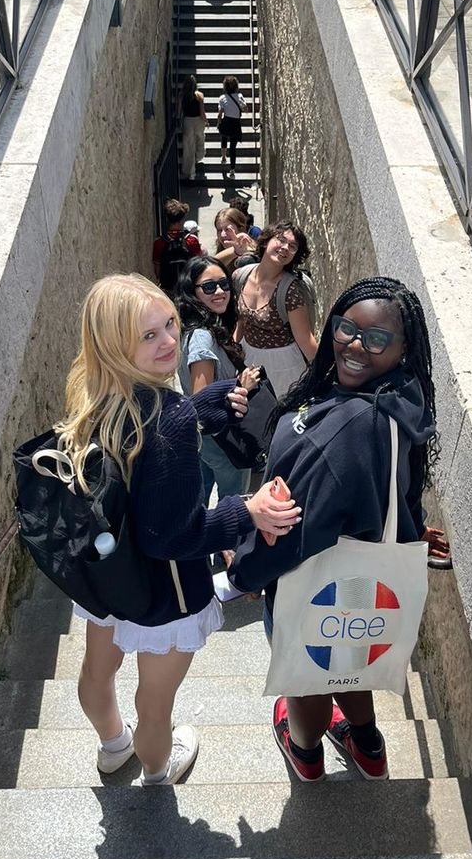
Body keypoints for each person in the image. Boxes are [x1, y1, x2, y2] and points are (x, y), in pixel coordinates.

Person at [56, 273, 300, 785]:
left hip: (110, 572)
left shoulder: (95, 395)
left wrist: (199, 409)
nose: (170, 340)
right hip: (163, 592)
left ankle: (112, 747)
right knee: (156, 706)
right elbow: (175, 536)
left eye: (169, 323)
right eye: (149, 336)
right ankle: (157, 770)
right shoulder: (165, 423)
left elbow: (142, 451)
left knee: (96, 673)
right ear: (116, 344)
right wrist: (245, 511)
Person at [229, 277, 439, 782]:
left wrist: (245, 569)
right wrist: (414, 530)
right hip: (364, 577)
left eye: (376, 339)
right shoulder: (399, 399)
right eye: (346, 328)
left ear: (403, 348)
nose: (353, 345)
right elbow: (397, 485)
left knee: (307, 679)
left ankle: (305, 752)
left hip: (310, 577)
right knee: (350, 654)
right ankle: (367, 747)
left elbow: (298, 532)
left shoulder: (344, 430)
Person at [176, 256, 261, 503]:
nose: (220, 292)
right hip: (221, 440)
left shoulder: (202, 327)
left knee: (197, 498)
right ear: (192, 292)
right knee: (235, 502)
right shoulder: (202, 336)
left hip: (206, 440)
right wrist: (242, 387)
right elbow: (202, 401)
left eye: (224, 284)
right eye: (209, 287)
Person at [233, 219, 318, 398]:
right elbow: (241, 322)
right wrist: (232, 354)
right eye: (280, 239)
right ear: (266, 241)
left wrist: (326, 375)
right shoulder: (242, 275)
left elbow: (305, 339)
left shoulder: (290, 291)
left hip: (283, 367)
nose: (285, 247)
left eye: (293, 246)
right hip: (249, 358)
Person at [152, 199, 201, 294]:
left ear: (166, 218)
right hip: (187, 287)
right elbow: (198, 264)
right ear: (183, 218)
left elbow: (157, 268)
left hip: (167, 288)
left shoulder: (159, 242)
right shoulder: (191, 240)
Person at [217, 76, 247, 181]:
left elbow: (220, 113)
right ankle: (232, 169)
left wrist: (218, 122)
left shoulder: (222, 98)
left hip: (226, 121)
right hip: (236, 123)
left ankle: (224, 157)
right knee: (233, 147)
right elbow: (245, 109)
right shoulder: (239, 96)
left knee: (224, 138)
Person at [179, 74, 207, 181]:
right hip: (198, 121)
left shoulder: (182, 95)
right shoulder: (200, 95)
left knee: (188, 146)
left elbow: (179, 110)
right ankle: (198, 157)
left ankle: (189, 172)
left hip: (187, 121)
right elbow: (202, 112)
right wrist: (206, 121)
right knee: (200, 140)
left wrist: (178, 120)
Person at [213, 206, 258, 272]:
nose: (222, 235)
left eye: (228, 229)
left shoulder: (249, 257)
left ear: (241, 229)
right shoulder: (221, 249)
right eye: (219, 230)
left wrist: (236, 252)